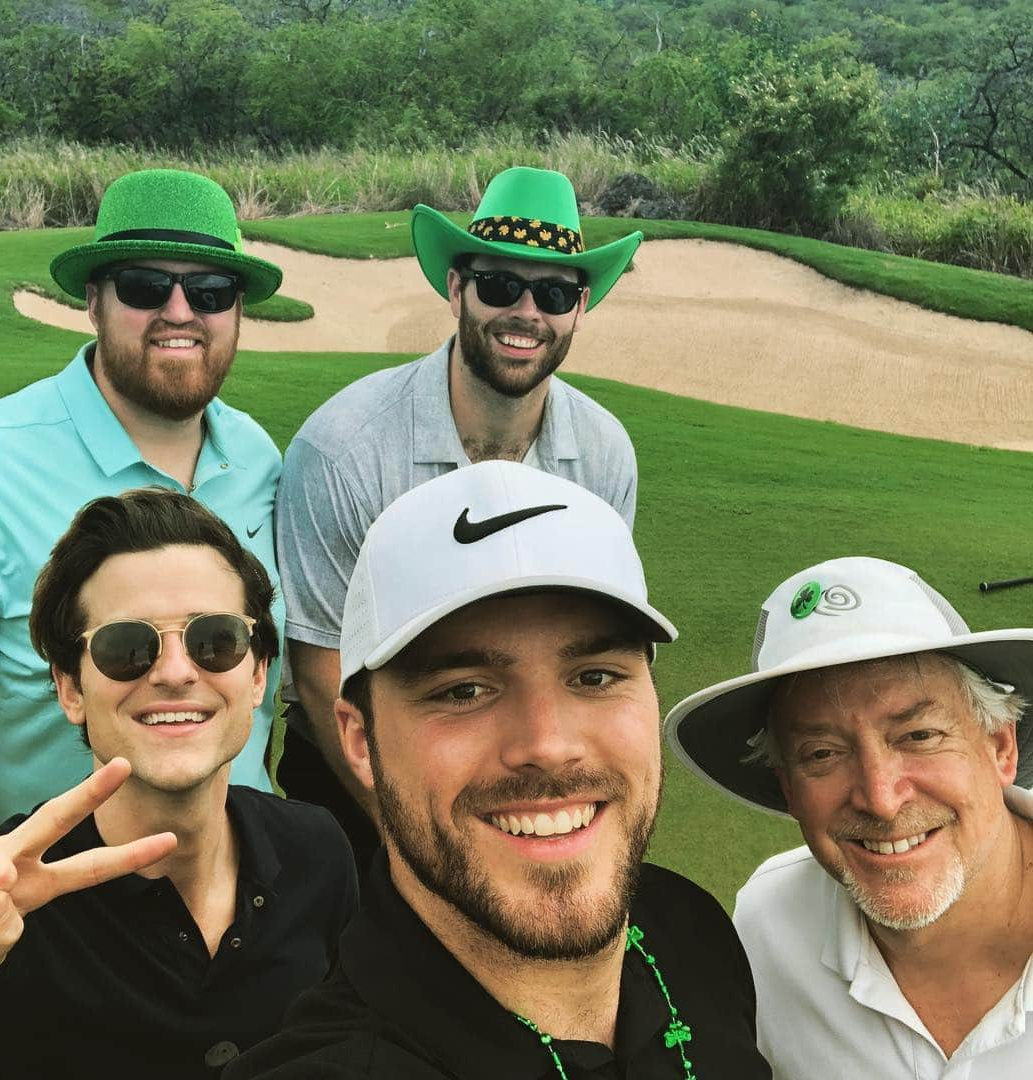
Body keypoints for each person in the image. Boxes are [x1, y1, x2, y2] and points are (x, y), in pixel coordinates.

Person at [227, 461, 771, 1079]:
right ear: (359, 738)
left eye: (594, 677)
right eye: (464, 691)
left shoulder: (690, 927)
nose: (548, 744)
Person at [276, 166, 644, 869]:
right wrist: (414, 836)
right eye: (500, 286)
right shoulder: (343, 448)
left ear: (580, 306)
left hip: (524, 748)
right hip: (360, 767)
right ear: (456, 289)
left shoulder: (604, 453)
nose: (527, 313)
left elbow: (602, 644)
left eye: (554, 293)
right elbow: (322, 669)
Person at [0, 489, 358, 1079]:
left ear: (257, 676)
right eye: (126, 647)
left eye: (216, 640)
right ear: (70, 689)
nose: (173, 672)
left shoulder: (319, 850)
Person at [0, 168, 287, 829]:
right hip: (54, 907)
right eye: (144, 286)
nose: (180, 312)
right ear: (93, 299)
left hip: (247, 892)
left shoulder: (257, 458)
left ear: (237, 310)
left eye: (212, 290)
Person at [666, 556, 1033, 1078]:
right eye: (822, 753)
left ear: (1000, 747)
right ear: (788, 789)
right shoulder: (766, 926)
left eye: (919, 736)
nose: (881, 799)